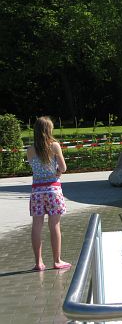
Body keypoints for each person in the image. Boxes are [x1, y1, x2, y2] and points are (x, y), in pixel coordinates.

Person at [27, 116, 71, 271]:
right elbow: (63, 168)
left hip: (37, 192)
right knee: (54, 225)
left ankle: (38, 263)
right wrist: (57, 172)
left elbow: (35, 168)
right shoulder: (54, 146)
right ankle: (57, 261)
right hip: (53, 190)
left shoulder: (30, 150)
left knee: (36, 226)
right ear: (48, 130)